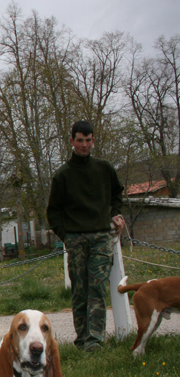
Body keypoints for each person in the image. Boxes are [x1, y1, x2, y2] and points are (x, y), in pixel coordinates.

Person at [47, 120, 125, 352]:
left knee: (97, 289)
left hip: (101, 237)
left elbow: (117, 194)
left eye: (88, 140)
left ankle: (95, 341)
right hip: (76, 239)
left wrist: (116, 214)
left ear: (93, 140)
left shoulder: (104, 168)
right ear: (72, 141)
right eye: (80, 140)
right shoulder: (62, 175)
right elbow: (53, 212)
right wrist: (67, 237)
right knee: (80, 291)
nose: (84, 145)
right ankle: (82, 339)